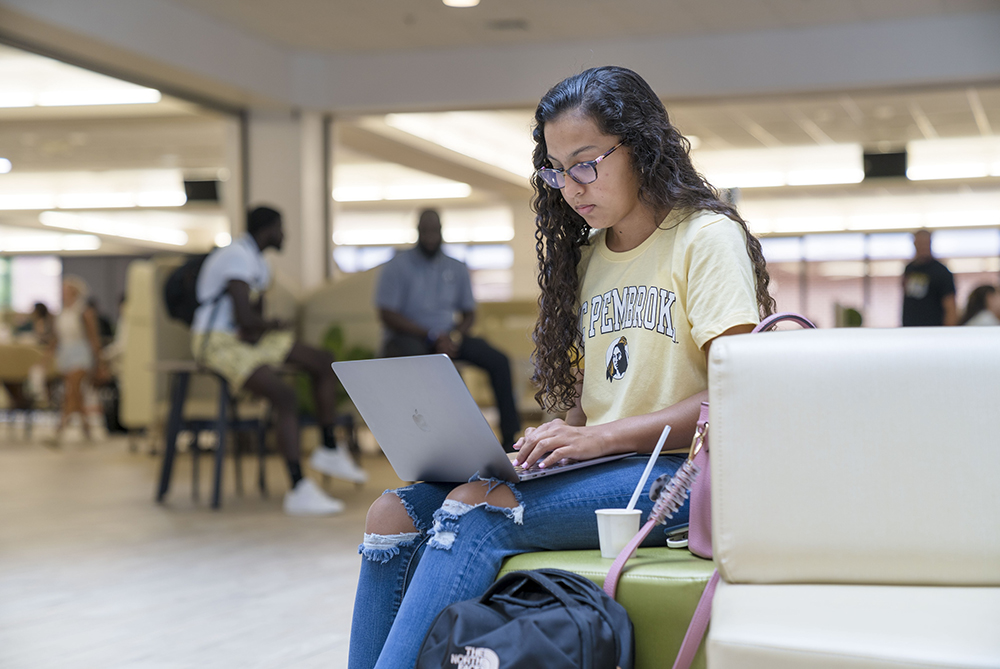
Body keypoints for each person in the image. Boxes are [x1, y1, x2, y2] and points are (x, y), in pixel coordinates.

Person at [348, 66, 773, 669]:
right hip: (609, 464)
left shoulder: (705, 238)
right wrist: (554, 436)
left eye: (586, 162)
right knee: (391, 512)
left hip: (680, 477)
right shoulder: (592, 256)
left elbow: (735, 399)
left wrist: (594, 436)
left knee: (478, 508)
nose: (571, 186)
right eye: (556, 168)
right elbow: (601, 395)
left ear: (642, 146)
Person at [191, 205, 367, 516]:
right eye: (281, 228)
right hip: (215, 341)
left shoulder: (258, 262)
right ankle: (298, 488)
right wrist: (270, 326)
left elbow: (250, 319)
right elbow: (244, 316)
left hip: (242, 339)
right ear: (268, 229)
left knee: (322, 360)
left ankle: (328, 447)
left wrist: (267, 327)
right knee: (284, 397)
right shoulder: (237, 256)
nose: (285, 234)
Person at [375, 209, 522, 449]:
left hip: (448, 334)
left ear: (442, 231)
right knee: (424, 363)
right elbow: (387, 314)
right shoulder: (397, 267)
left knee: (499, 360)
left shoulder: (456, 266)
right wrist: (430, 335)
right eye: (426, 230)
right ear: (418, 232)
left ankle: (509, 440)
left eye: (435, 230)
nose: (431, 236)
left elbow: (468, 312)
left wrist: (454, 336)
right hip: (409, 336)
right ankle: (429, 443)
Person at [50, 276, 109, 443]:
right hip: (65, 354)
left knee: (72, 391)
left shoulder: (84, 312)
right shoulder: (62, 313)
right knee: (76, 394)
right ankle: (87, 429)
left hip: (81, 354)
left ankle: (59, 430)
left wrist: (99, 362)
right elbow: (56, 339)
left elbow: (93, 338)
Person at [902, 229, 957, 326]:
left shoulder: (941, 272)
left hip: (933, 328)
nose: (922, 247)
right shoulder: (910, 269)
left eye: (925, 243)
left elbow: (950, 306)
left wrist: (948, 332)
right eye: (919, 243)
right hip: (910, 328)